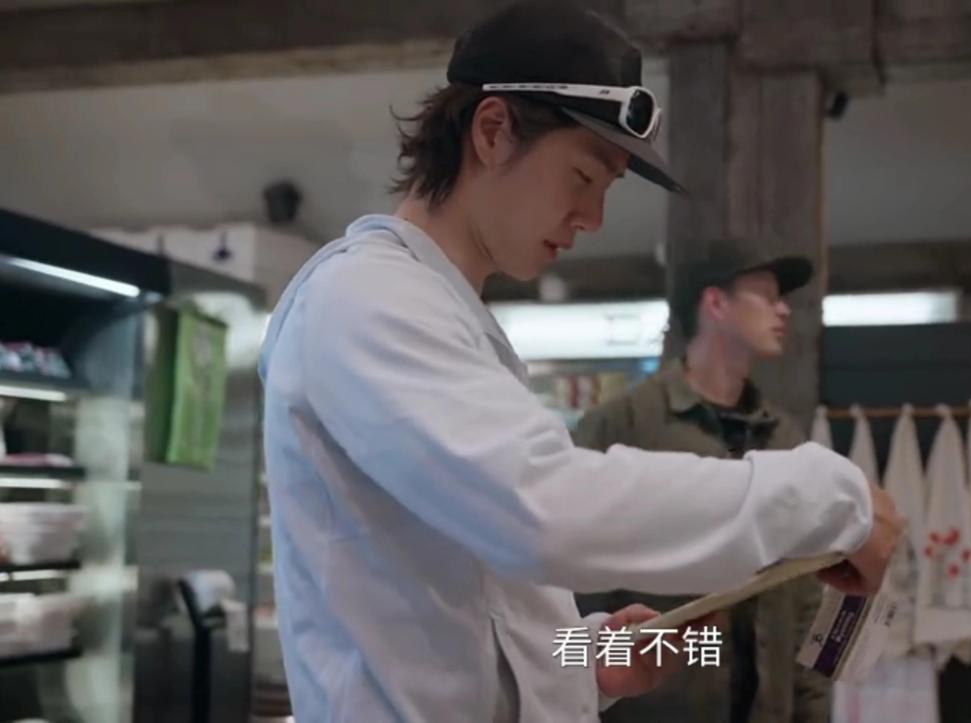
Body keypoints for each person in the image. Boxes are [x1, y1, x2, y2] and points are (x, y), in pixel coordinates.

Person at [256, 1, 904, 721]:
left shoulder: (448, 317)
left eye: (606, 189)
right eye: (582, 176)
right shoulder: (365, 295)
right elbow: (542, 510)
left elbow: (468, 606)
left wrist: (587, 659)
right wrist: (823, 496)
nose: (592, 218)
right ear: (493, 131)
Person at [574, 240, 834, 723]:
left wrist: (813, 706)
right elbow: (573, 577)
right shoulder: (626, 425)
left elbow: (803, 590)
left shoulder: (784, 437)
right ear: (715, 303)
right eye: (766, 294)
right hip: (654, 708)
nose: (783, 309)